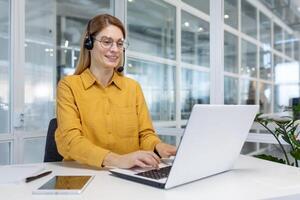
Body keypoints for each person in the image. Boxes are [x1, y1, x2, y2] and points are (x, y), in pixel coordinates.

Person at [55, 14, 176, 169]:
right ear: (89, 43)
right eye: (107, 42)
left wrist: (158, 146)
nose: (115, 49)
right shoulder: (69, 86)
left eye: (119, 44)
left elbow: (145, 135)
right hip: (84, 175)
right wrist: (117, 160)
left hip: (129, 175)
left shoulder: (133, 88)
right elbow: (70, 141)